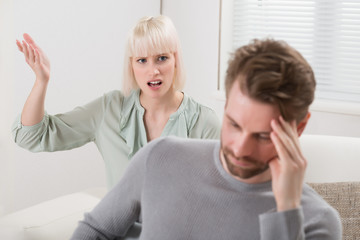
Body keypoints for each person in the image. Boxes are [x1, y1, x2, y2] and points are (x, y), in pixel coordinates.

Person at [70, 39, 342, 240]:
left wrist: (286, 212)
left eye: (262, 136)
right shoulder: (161, 156)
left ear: (299, 127)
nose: (239, 148)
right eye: (234, 124)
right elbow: (95, 230)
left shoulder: (317, 221)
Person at [12, 15, 221, 188]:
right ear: (131, 65)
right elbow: (31, 136)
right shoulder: (109, 109)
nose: (153, 70)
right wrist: (41, 81)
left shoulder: (204, 122)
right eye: (142, 60)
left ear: (175, 60)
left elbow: (222, 197)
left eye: (162, 58)